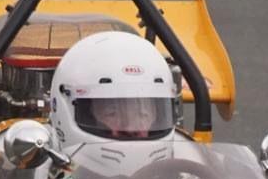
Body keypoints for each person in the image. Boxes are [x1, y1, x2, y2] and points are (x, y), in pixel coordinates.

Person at [46, 31, 179, 171]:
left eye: (142, 114)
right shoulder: (40, 171)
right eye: (112, 113)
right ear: (63, 108)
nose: (130, 128)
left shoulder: (186, 162)